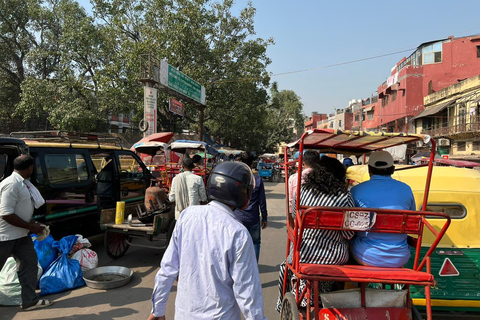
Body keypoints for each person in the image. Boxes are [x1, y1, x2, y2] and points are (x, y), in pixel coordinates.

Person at [148, 162, 266, 320]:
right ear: (241, 193)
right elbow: (248, 293)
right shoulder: (238, 233)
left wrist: (157, 310)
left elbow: (167, 269)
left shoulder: (186, 216)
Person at [276, 156, 355, 312]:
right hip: (335, 257)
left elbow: (295, 218)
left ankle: (282, 304)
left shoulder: (302, 191)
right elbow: (349, 234)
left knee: (284, 267)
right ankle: (321, 298)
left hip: (304, 254)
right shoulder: (345, 197)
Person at [0, 154, 53, 310]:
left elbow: (19, 211)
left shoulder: (23, 184)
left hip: (21, 236)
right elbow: (5, 213)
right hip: (5, 237)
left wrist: (34, 224)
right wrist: (31, 227)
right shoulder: (11, 184)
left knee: (29, 264)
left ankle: (29, 300)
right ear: (29, 168)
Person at [350, 151, 416, 268]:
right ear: (393, 169)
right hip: (400, 257)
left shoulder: (356, 190)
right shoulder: (406, 189)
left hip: (366, 255)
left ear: (369, 169)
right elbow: (412, 219)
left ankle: (353, 285)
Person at [233, 152, 268, 261]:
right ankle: (253, 268)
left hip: (237, 217)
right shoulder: (257, 179)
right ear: (252, 164)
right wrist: (264, 217)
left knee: (237, 244)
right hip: (253, 218)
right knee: (255, 243)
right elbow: (262, 200)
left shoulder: (236, 178)